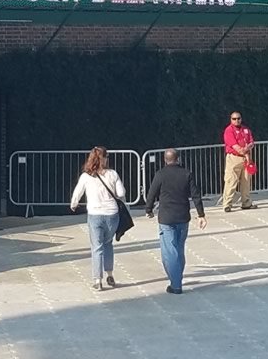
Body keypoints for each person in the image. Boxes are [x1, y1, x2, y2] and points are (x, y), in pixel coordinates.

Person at [141, 148, 207, 295]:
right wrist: (201, 214)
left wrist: (148, 210)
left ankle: (175, 284)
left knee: (169, 251)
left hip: (166, 217)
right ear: (178, 159)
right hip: (183, 217)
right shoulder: (186, 173)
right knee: (179, 248)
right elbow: (196, 195)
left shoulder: (160, 174)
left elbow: (151, 193)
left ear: (165, 159)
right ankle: (177, 276)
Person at [68, 147, 128, 292]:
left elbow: (78, 192)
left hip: (95, 214)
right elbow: (121, 192)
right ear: (105, 158)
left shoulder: (86, 176)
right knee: (108, 243)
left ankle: (97, 280)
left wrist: (74, 204)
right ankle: (110, 274)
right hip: (112, 214)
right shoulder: (113, 174)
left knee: (97, 247)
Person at [220, 111, 257, 212]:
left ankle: (246, 203)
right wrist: (246, 149)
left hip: (246, 158)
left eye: (238, 118)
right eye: (234, 119)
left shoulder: (246, 129)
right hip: (233, 158)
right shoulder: (229, 131)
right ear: (231, 119)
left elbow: (252, 143)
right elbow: (237, 148)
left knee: (246, 181)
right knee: (231, 181)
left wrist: (247, 153)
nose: (237, 120)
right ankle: (227, 204)